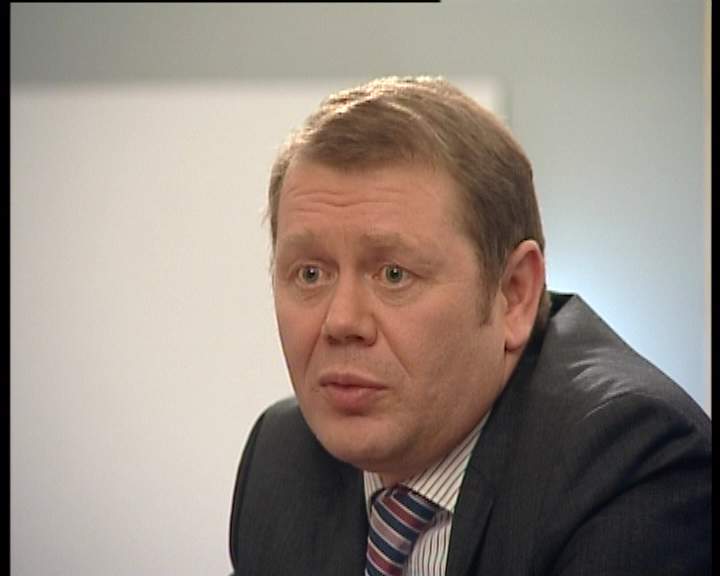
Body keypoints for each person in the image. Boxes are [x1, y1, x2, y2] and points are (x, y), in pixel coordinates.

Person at [228, 76, 711, 575]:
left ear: (513, 293)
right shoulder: (281, 458)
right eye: (310, 274)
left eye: (394, 274)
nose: (342, 322)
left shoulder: (628, 461)